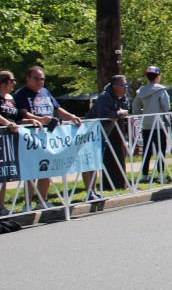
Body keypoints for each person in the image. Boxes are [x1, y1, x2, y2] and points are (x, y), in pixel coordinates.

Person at [13, 66, 82, 210]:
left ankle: (42, 201)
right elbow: (22, 113)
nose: (40, 81)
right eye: (36, 78)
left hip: (49, 136)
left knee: (47, 169)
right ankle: (27, 204)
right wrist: (40, 119)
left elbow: (57, 109)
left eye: (42, 79)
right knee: (32, 170)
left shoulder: (45, 92)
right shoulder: (21, 94)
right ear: (28, 79)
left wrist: (71, 116)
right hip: (31, 137)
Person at [82, 74, 130, 200]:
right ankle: (89, 192)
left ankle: (93, 191)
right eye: (123, 85)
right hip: (89, 132)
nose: (126, 87)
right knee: (88, 162)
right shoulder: (105, 97)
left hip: (103, 134)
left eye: (126, 85)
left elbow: (126, 110)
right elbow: (104, 114)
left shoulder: (123, 96)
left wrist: (116, 114)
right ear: (114, 86)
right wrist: (118, 113)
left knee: (96, 163)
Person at [1, 71, 42, 215]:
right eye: (12, 80)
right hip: (2, 138)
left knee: (4, 175)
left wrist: (30, 120)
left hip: (12, 140)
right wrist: (7, 123)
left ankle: (2, 206)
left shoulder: (10, 98)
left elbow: (17, 118)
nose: (14, 83)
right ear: (4, 82)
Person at [132, 66, 171, 181]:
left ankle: (144, 175)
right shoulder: (161, 90)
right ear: (157, 77)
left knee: (147, 150)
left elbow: (135, 109)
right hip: (159, 124)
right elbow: (166, 107)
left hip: (146, 124)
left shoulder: (141, 91)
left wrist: (145, 112)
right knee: (160, 150)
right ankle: (161, 175)